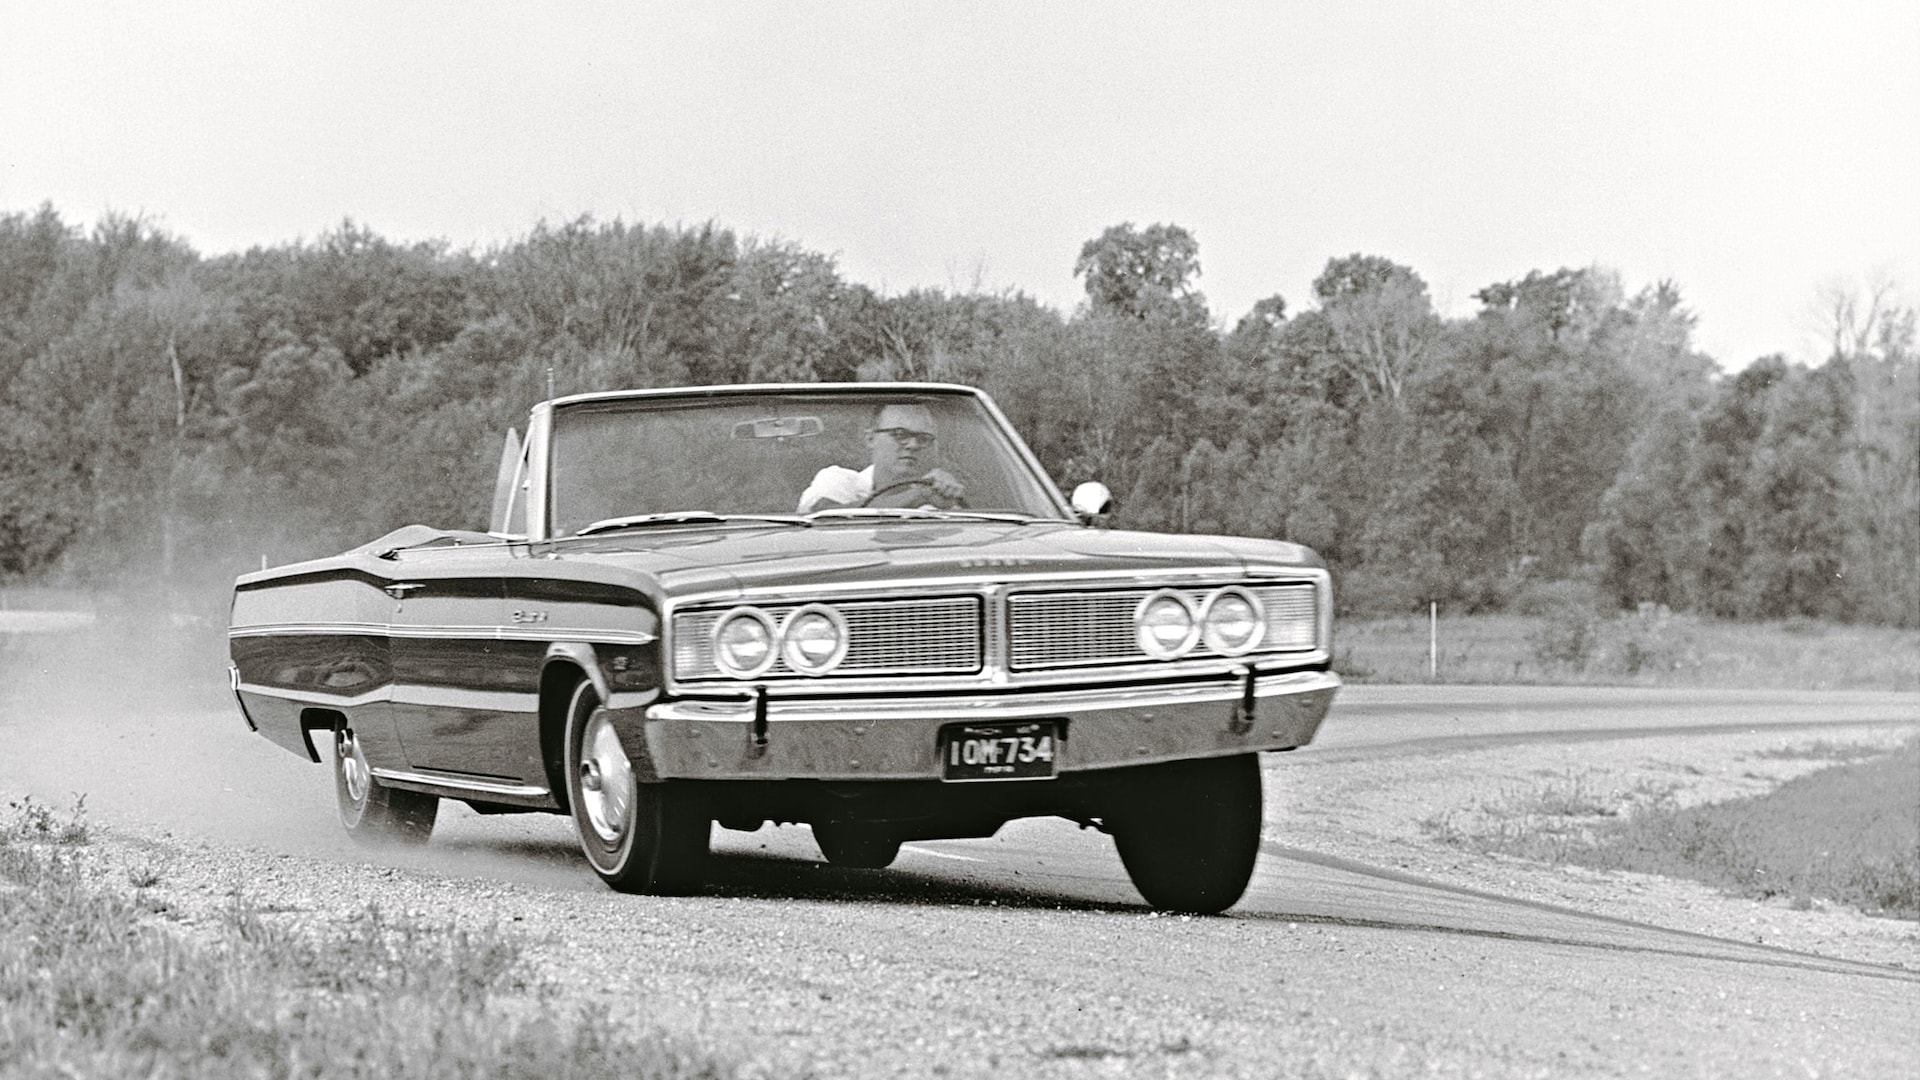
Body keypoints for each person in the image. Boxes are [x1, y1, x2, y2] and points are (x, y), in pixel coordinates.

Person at [798, 402, 967, 512]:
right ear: (870, 439)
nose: (913, 445)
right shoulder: (839, 480)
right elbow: (824, 518)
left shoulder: (940, 502)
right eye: (900, 434)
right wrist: (919, 496)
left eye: (923, 439)